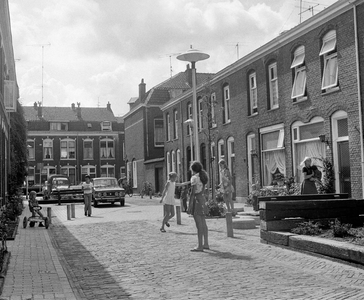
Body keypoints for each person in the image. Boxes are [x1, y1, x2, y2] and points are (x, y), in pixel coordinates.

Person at [188, 161, 209, 252]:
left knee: (198, 224)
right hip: (202, 199)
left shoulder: (194, 178)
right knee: (203, 223)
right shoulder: (203, 177)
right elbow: (203, 190)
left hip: (196, 200)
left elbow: (193, 193)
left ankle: (200, 245)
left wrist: (190, 205)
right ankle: (206, 243)